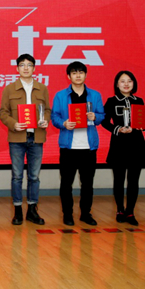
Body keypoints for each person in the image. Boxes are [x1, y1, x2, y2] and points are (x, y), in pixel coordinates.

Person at [0, 54, 51, 225]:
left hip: (37, 137)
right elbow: (3, 112)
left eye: (29, 65)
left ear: (34, 68)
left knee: (34, 176)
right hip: (17, 138)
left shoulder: (42, 88)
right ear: (17, 68)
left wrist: (45, 120)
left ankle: (32, 210)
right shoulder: (9, 89)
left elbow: (47, 110)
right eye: (22, 65)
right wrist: (13, 124)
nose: (26, 68)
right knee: (17, 176)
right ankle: (17, 211)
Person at [51, 61, 105, 226]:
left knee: (87, 183)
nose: (78, 75)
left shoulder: (95, 95)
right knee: (66, 183)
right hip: (68, 146)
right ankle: (67, 214)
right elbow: (54, 116)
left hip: (89, 147)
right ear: (68, 76)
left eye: (81, 72)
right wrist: (64, 123)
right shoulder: (61, 95)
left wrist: (95, 117)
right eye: (74, 73)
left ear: (85, 75)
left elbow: (102, 115)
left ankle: (85, 213)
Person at [102, 71, 145, 226]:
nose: (126, 84)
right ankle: (120, 210)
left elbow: (142, 121)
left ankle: (130, 212)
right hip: (119, 144)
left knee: (134, 180)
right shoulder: (112, 101)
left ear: (134, 83)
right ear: (117, 84)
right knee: (119, 179)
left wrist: (143, 126)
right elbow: (104, 121)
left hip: (136, 144)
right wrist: (118, 129)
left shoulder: (138, 100)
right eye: (122, 81)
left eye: (129, 81)